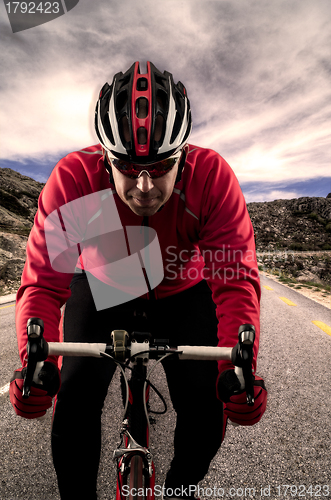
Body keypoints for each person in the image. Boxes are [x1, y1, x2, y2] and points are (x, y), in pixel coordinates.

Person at [10, 61, 267, 500]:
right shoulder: (73, 180)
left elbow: (233, 281)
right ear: (104, 157)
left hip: (184, 293)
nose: (144, 186)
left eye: (162, 165)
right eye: (127, 167)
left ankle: (178, 493)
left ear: (184, 155)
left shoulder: (212, 178)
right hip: (104, 288)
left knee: (208, 412)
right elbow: (43, 285)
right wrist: (37, 366)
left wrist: (238, 370)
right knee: (72, 401)